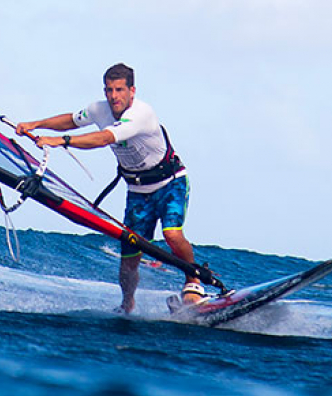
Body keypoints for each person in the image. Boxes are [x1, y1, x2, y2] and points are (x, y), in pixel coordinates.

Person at [16, 63, 199, 314]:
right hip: (138, 192)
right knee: (128, 260)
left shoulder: (141, 114)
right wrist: (35, 124)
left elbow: (103, 139)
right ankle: (127, 305)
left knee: (172, 234)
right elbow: (71, 121)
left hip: (171, 183)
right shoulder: (98, 110)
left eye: (120, 90)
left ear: (132, 91)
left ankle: (193, 281)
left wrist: (61, 142)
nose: (114, 96)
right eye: (109, 90)